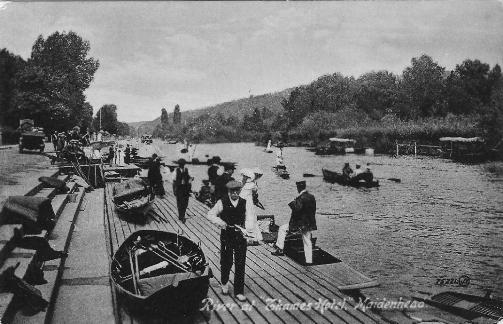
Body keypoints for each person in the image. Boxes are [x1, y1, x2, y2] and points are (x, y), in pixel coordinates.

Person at [206, 180, 248, 302]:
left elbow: (250, 218)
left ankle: (239, 291)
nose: (235, 193)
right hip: (227, 235)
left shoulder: (245, 202)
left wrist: (249, 231)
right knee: (226, 261)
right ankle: (224, 283)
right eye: (232, 191)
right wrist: (222, 223)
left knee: (240, 263)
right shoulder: (222, 202)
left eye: (237, 191)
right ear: (229, 191)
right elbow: (210, 214)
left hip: (240, 236)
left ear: (240, 191)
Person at [272, 180, 317, 264]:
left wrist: (292, 202)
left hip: (299, 224)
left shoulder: (301, 197)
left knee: (282, 229)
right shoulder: (311, 196)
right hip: (308, 224)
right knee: (307, 240)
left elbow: (297, 209)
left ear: (298, 188)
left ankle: (280, 249)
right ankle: (309, 260)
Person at [239, 169, 263, 242]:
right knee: (250, 217)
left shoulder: (245, 184)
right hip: (248, 202)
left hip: (245, 202)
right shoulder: (253, 185)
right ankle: (251, 236)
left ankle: (247, 235)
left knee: (247, 217)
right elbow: (254, 193)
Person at [172, 158, 193, 223]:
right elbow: (173, 181)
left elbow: (191, 178)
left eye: (183, 164)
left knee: (185, 203)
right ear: (179, 164)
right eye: (181, 164)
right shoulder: (176, 171)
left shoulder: (186, 170)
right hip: (179, 188)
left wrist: (190, 180)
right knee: (180, 203)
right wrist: (174, 190)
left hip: (186, 188)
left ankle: (182, 215)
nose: (182, 165)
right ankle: (181, 216)